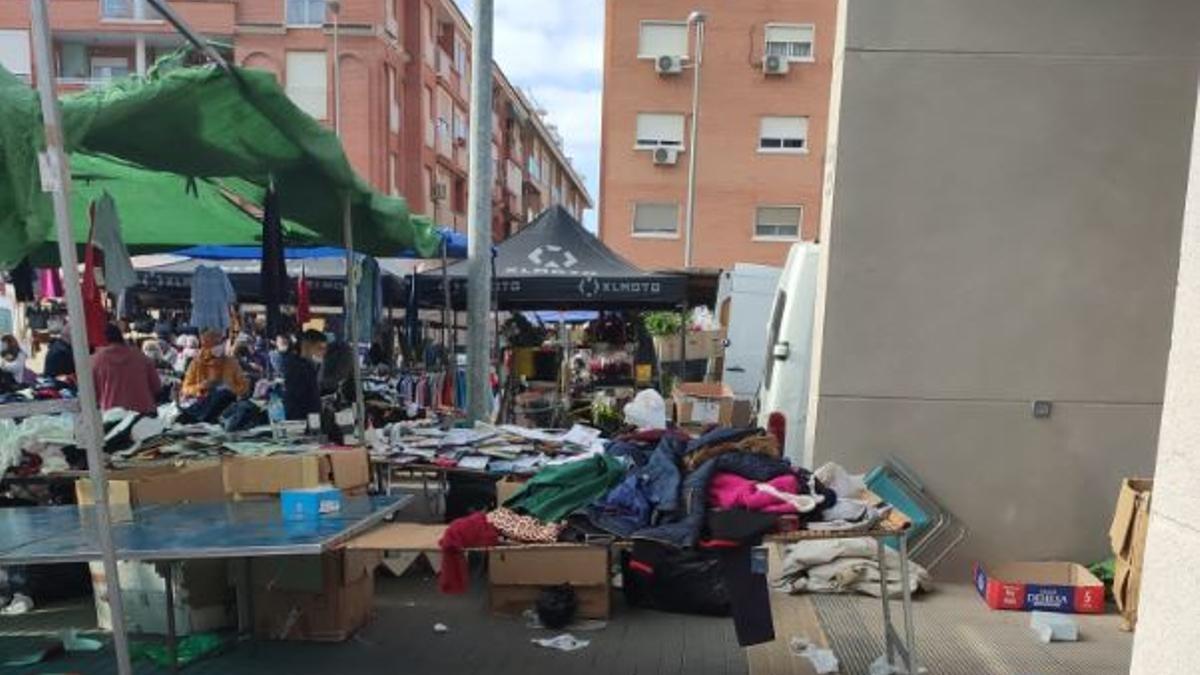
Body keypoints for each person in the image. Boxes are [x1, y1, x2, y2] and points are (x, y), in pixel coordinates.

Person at [92, 324, 161, 414]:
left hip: (112, 416)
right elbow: (156, 387)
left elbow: (91, 396)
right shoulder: (140, 356)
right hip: (144, 413)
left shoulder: (96, 360)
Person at [181, 330, 249, 402]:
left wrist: (230, 388)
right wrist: (202, 386)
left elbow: (244, 388)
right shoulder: (196, 363)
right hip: (203, 405)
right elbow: (185, 389)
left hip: (226, 405)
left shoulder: (231, 363)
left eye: (219, 343)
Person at [281, 330, 326, 420]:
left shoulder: (308, 365)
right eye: (319, 348)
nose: (323, 352)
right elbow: (305, 397)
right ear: (307, 346)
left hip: (310, 418)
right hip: (301, 419)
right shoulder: (296, 367)